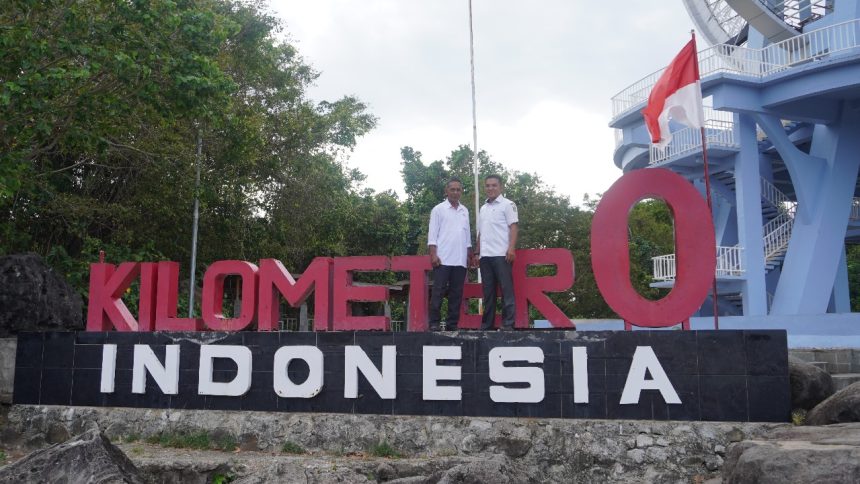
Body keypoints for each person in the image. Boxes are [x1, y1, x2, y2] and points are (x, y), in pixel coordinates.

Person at [427, 177, 474, 331]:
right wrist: (433, 254)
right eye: (452, 189)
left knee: (456, 294)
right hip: (443, 258)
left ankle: (452, 324)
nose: (455, 192)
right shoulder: (438, 209)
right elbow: (432, 234)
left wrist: (469, 254)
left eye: (458, 189)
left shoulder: (464, 210)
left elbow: (467, 235)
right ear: (446, 191)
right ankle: (434, 323)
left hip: (460, 259)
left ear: (461, 191)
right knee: (438, 292)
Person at [476, 174, 518, 330]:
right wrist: (477, 252)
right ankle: (487, 325)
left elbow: (513, 226)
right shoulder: (483, 208)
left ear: (501, 187)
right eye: (487, 185)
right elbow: (481, 232)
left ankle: (508, 324)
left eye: (494, 185)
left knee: (507, 291)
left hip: (502, 254)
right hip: (485, 256)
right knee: (488, 293)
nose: (490, 188)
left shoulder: (508, 205)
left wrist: (511, 248)